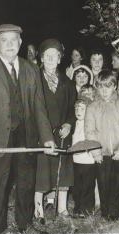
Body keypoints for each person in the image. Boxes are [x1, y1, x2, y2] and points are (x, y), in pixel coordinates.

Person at [0, 24, 55, 234]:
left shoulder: (31, 69)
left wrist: (46, 137)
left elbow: (39, 106)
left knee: (26, 183)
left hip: (26, 137)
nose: (10, 45)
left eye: (14, 40)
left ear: (20, 43)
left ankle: (24, 224)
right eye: (4, 40)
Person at [34, 38, 76, 221]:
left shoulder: (67, 83)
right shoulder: (34, 80)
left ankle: (62, 208)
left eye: (55, 56)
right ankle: (38, 209)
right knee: (41, 172)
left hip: (62, 134)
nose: (51, 59)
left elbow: (72, 108)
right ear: (42, 58)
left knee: (63, 171)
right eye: (47, 55)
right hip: (40, 134)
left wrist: (68, 123)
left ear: (60, 59)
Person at [85, 70, 119, 221]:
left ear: (115, 86)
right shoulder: (92, 107)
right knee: (103, 182)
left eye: (108, 86)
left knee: (116, 182)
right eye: (101, 87)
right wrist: (96, 152)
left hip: (117, 151)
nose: (104, 90)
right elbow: (89, 131)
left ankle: (114, 213)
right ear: (97, 87)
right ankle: (105, 211)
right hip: (101, 152)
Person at [72, 98, 96, 218]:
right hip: (76, 160)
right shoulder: (74, 123)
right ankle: (77, 207)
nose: (78, 111)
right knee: (77, 187)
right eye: (76, 108)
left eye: (82, 108)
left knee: (87, 186)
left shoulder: (90, 123)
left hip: (88, 161)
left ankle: (86, 209)